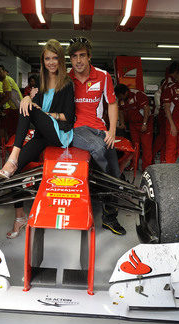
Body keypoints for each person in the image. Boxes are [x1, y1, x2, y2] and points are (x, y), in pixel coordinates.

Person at [0, 39, 75, 239]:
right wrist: (28, 98)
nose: (51, 62)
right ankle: (20, 216)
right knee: (13, 174)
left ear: (60, 60)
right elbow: (32, 112)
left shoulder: (67, 84)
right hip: (42, 135)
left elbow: (69, 117)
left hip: (60, 134)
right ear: (43, 61)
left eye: (55, 58)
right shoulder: (40, 82)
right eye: (47, 58)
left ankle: (12, 157)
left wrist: (45, 113)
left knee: (28, 105)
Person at [67, 37, 125, 235]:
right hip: (74, 129)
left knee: (115, 174)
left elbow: (112, 103)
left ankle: (110, 217)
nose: (78, 61)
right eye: (74, 56)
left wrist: (112, 131)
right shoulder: (66, 78)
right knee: (99, 149)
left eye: (82, 55)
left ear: (89, 56)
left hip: (99, 130)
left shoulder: (103, 76)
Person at [115, 84, 153, 170]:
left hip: (145, 123)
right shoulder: (121, 99)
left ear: (126, 92)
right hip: (133, 124)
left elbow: (146, 109)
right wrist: (122, 123)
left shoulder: (138, 95)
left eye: (120, 96)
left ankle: (146, 168)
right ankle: (133, 165)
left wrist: (144, 124)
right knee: (135, 146)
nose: (120, 98)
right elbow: (120, 111)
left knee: (146, 146)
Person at [161, 64, 179, 163]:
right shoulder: (170, 88)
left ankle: (171, 165)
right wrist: (172, 125)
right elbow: (167, 108)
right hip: (173, 122)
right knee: (171, 148)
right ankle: (169, 170)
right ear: (176, 75)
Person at [153, 63, 179, 163]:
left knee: (165, 139)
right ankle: (163, 160)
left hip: (164, 114)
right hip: (165, 114)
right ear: (176, 73)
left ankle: (163, 160)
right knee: (164, 139)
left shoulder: (167, 82)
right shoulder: (169, 83)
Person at [0, 65, 23, 141]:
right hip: (15, 108)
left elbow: (7, 97)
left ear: (4, 71)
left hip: (18, 108)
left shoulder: (6, 80)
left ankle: (13, 148)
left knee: (13, 131)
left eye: (0, 72)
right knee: (11, 129)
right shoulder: (4, 81)